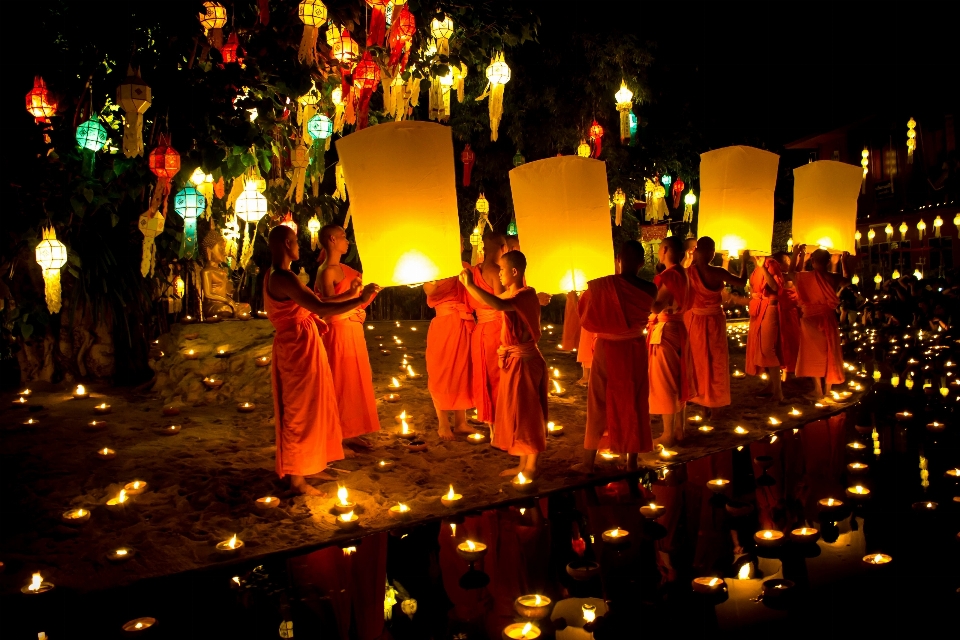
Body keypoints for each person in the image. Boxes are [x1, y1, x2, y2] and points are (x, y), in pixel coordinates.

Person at [264, 225, 379, 495]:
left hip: (305, 343)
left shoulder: (281, 275)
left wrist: (353, 295)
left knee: (318, 405)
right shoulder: (283, 277)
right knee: (300, 411)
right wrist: (359, 299)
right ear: (285, 245)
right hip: (296, 348)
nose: (299, 247)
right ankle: (297, 479)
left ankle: (313, 463)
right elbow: (321, 306)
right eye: (294, 242)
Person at [460, 251, 548, 477]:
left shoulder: (526, 295)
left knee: (528, 413)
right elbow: (498, 303)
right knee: (516, 412)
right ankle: (522, 463)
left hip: (525, 361)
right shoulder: (512, 294)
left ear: (515, 271)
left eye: (502, 270)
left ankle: (531, 466)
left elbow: (497, 305)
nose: (499, 275)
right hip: (514, 360)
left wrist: (470, 285)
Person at [573, 241, 657, 473]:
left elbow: (586, 319)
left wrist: (579, 297)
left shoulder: (602, 287)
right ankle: (631, 461)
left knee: (598, 402)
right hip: (633, 350)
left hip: (607, 349)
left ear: (618, 258)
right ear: (641, 262)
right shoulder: (650, 289)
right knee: (635, 401)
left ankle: (588, 462)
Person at [313, 224, 381, 451]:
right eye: (343, 237)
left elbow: (359, 296)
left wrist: (368, 293)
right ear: (332, 240)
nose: (347, 241)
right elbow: (326, 307)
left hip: (353, 329)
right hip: (338, 331)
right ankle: (337, 435)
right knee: (340, 382)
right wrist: (355, 296)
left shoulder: (345, 268)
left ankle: (351, 432)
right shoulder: (327, 271)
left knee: (354, 380)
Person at [684, 237, 747, 415]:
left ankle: (699, 396)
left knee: (698, 359)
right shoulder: (717, 272)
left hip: (696, 321)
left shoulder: (688, 272)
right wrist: (743, 261)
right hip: (714, 321)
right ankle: (711, 399)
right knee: (714, 360)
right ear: (711, 252)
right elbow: (742, 282)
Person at [787, 245, 852, 402]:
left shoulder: (804, 276)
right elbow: (848, 281)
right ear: (829, 261)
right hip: (827, 318)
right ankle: (828, 390)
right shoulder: (833, 277)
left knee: (813, 353)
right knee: (830, 351)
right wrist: (844, 261)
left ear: (813, 260)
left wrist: (796, 254)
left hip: (810, 319)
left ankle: (818, 389)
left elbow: (790, 273)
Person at [648, 235, 696, 447]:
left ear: (666, 250)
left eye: (659, 249)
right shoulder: (683, 273)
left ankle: (668, 434)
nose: (658, 252)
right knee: (679, 378)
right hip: (678, 327)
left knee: (666, 380)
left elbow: (657, 306)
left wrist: (642, 295)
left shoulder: (671, 275)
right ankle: (679, 430)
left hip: (667, 328)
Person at [424, 272, 477, 441]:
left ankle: (461, 422)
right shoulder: (433, 267)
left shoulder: (465, 268)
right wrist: (434, 275)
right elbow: (429, 290)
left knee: (462, 370)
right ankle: (443, 423)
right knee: (441, 371)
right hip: (444, 324)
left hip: (463, 322)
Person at [745, 250, 800, 401]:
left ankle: (778, 392)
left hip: (769, 308)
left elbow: (776, 288)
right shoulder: (756, 266)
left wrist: (763, 267)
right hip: (759, 308)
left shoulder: (770, 263)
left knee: (769, 349)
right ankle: (771, 385)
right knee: (762, 348)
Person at [465, 231, 507, 430]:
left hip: (479, 329)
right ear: (502, 248)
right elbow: (502, 303)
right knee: (499, 375)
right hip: (496, 328)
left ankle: (492, 426)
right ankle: (500, 425)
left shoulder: (473, 271)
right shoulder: (496, 270)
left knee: (486, 376)